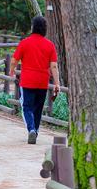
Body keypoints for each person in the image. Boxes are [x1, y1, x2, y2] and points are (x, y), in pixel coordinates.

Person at [9, 16, 61, 144]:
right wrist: (57, 83)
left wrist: (12, 70)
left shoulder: (25, 42)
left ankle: (31, 129)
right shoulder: (49, 45)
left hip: (27, 81)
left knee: (27, 106)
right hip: (42, 81)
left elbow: (14, 60)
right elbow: (54, 66)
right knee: (38, 108)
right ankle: (36, 131)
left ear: (33, 27)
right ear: (45, 29)